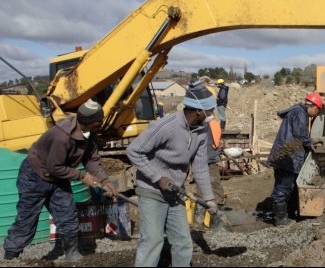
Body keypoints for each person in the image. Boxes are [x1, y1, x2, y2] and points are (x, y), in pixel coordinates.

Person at [3, 99, 117, 261]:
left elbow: (91, 160)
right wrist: (82, 176)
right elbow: (54, 167)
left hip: (59, 178)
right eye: (99, 120)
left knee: (68, 216)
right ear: (91, 122)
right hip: (35, 176)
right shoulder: (62, 136)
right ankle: (11, 256)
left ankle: (71, 253)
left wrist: (105, 181)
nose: (101, 123)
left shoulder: (89, 135)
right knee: (27, 220)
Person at [127, 80, 219, 267]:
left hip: (175, 192)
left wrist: (209, 198)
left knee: (183, 242)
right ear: (198, 111)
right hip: (152, 191)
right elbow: (134, 151)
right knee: (153, 241)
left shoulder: (201, 131)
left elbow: (200, 167)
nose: (211, 115)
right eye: (209, 111)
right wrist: (158, 177)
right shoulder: (166, 126)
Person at [268, 92, 324, 226]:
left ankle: (288, 214)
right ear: (314, 107)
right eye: (317, 111)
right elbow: (300, 135)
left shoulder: (297, 112)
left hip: (288, 155)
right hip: (287, 157)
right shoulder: (300, 113)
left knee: (289, 186)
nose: (315, 114)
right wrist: (311, 142)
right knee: (283, 188)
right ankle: (281, 220)